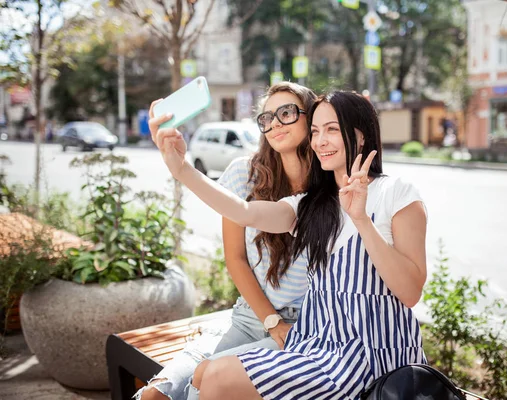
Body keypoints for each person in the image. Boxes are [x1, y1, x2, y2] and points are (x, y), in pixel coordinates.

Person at [150, 90, 428, 400]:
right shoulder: (312, 205)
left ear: (361, 136)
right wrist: (181, 169)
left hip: (372, 358)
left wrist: (362, 219)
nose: (320, 141)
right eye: (315, 132)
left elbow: (410, 292)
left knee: (215, 378)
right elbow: (243, 212)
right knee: (204, 375)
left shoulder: (397, 193)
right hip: (316, 346)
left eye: (332, 129)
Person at [138, 82, 316, 400]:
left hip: (307, 327)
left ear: (311, 118)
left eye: (286, 113)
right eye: (267, 117)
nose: (274, 123)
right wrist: (271, 320)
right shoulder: (242, 174)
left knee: (209, 384)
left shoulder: (328, 184)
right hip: (251, 316)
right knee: (155, 395)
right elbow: (235, 257)